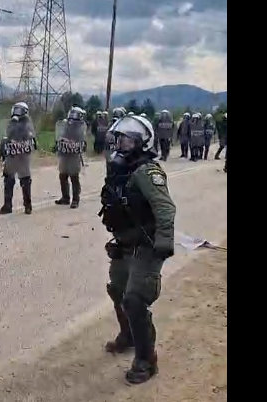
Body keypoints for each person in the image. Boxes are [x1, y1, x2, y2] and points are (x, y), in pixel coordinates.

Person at [98, 115, 176, 384]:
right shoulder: (120, 169)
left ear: (142, 143)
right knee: (117, 289)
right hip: (125, 243)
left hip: (147, 244)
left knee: (134, 298)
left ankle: (146, 360)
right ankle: (129, 336)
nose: (121, 143)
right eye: (120, 138)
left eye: (128, 139)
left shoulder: (147, 172)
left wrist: (164, 242)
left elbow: (165, 208)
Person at [0, 102, 36, 215]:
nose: (16, 113)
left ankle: (28, 206)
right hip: (12, 156)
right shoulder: (11, 123)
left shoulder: (27, 124)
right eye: (16, 110)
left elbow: (28, 136)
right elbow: (7, 136)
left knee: (25, 180)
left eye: (19, 110)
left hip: (22, 156)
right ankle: (7, 205)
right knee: (8, 180)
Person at [54, 107, 87, 209]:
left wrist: (71, 142)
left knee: (74, 177)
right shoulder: (65, 125)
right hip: (64, 154)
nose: (72, 117)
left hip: (74, 155)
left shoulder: (81, 127)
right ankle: (65, 197)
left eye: (74, 115)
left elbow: (81, 140)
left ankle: (75, 199)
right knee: (63, 176)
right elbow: (60, 135)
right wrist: (60, 141)